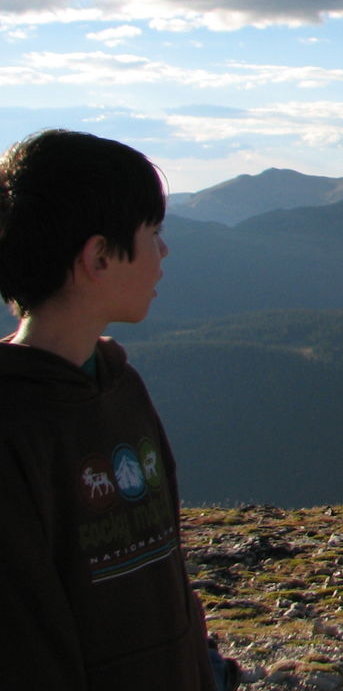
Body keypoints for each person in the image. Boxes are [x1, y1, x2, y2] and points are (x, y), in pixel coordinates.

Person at [0, 129, 239, 690]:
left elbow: (163, 563)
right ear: (99, 257)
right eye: (153, 233)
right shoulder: (13, 425)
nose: (164, 251)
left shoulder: (118, 383)